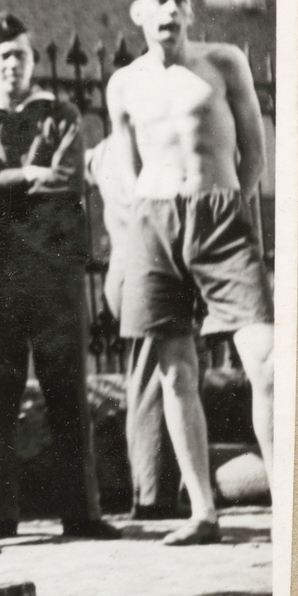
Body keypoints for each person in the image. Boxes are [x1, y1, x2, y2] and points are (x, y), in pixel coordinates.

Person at [108, 0, 274, 546]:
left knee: (266, 361)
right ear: (139, 13)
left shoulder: (223, 62)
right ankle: (203, 511)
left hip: (221, 214)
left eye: (181, 1)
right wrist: (142, 229)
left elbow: (254, 153)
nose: (171, 10)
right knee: (176, 372)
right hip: (155, 221)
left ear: (192, 11)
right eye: (160, 1)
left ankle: (291, 503)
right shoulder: (123, 83)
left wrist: (223, 204)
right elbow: (126, 167)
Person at [0, 12, 120, 542]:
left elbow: (66, 182)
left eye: (20, 55)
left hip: (54, 273)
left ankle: (82, 513)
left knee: (67, 391)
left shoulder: (61, 114)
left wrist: (2, 188)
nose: (13, 64)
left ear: (32, 60)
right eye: (3, 56)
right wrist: (27, 173)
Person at [86, 135, 182, 519]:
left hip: (123, 270)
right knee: (158, 379)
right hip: (150, 267)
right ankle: (154, 497)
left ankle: (156, 490)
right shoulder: (151, 142)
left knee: (151, 377)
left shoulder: (102, 151)